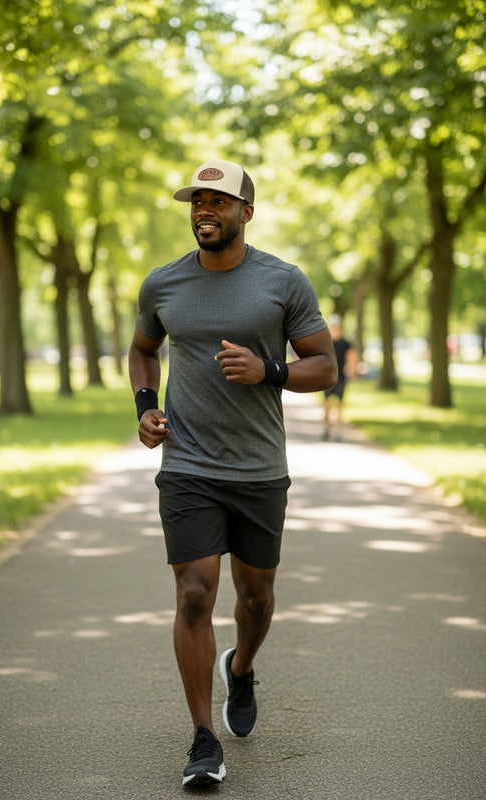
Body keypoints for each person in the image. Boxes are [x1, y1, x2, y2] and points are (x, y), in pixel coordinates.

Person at [128, 158, 337, 787]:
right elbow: (143, 351)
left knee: (257, 597)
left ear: (246, 211)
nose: (204, 211)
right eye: (196, 201)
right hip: (188, 466)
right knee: (194, 592)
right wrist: (146, 408)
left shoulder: (283, 281)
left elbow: (325, 366)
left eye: (217, 202)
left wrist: (270, 369)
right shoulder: (163, 285)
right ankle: (202, 740)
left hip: (258, 469)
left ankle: (240, 668)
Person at [322, 314, 357, 441]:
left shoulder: (345, 344)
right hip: (327, 378)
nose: (335, 328)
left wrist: (352, 373)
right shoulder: (326, 343)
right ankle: (326, 429)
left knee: (339, 406)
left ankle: (338, 433)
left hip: (340, 378)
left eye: (337, 326)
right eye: (333, 326)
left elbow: (352, 358)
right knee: (326, 405)